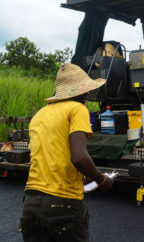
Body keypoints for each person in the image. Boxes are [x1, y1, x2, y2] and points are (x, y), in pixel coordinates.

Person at [19, 63, 114, 241]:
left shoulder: (39, 115)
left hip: (31, 203)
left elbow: (52, 157)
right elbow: (78, 157)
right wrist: (101, 179)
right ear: (72, 92)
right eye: (84, 89)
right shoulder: (77, 109)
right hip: (63, 205)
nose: (88, 93)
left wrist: (82, 176)